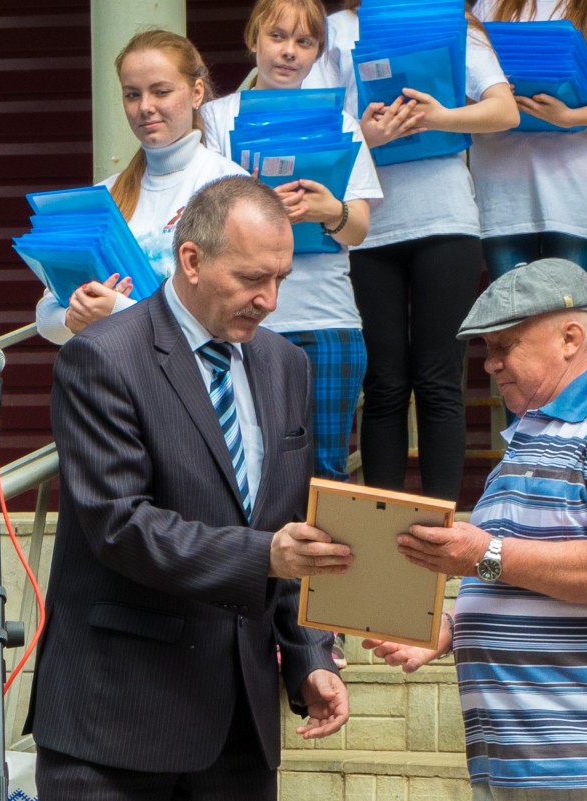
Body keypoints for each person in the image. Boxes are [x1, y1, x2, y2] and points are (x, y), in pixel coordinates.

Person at [26, 176, 353, 800]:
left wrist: (309, 656)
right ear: (192, 260)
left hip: (239, 731)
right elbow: (120, 525)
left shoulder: (287, 364)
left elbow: (290, 526)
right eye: (252, 278)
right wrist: (267, 555)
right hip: (115, 723)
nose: (269, 300)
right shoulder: (102, 356)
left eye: (280, 279)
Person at [365, 258, 587, 801]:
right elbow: (515, 574)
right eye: (486, 348)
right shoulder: (531, 434)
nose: (490, 363)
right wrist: (451, 627)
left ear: (570, 338)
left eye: (505, 345)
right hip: (521, 765)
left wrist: (484, 554)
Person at [303, 0, 519, 501]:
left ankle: (441, 524)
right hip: (368, 231)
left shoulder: (452, 19)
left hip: (446, 221)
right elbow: (317, 125)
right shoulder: (337, 30)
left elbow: (504, 109)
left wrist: (442, 117)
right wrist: (366, 135)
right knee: (384, 383)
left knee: (440, 379)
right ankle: (385, 524)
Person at [201, 0, 383, 483]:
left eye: (304, 42)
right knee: (249, 472)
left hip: (328, 319)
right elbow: (203, 218)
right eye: (277, 37)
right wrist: (259, 207)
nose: (289, 52)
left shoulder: (341, 120)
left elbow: (359, 229)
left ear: (318, 51)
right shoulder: (216, 117)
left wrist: (330, 210)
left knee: (326, 473)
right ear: (253, 39)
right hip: (244, 317)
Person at [34, 29, 247, 345]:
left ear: (197, 92)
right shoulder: (104, 195)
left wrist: (120, 312)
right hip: (110, 373)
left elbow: (236, 312)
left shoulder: (232, 187)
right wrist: (72, 318)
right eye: (132, 95)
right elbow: (46, 315)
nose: (145, 106)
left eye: (161, 92)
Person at [470, 0, 587, 278]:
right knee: (510, 303)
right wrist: (496, 97)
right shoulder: (490, 5)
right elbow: (464, 91)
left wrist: (569, 117)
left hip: (574, 188)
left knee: (569, 302)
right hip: (502, 189)